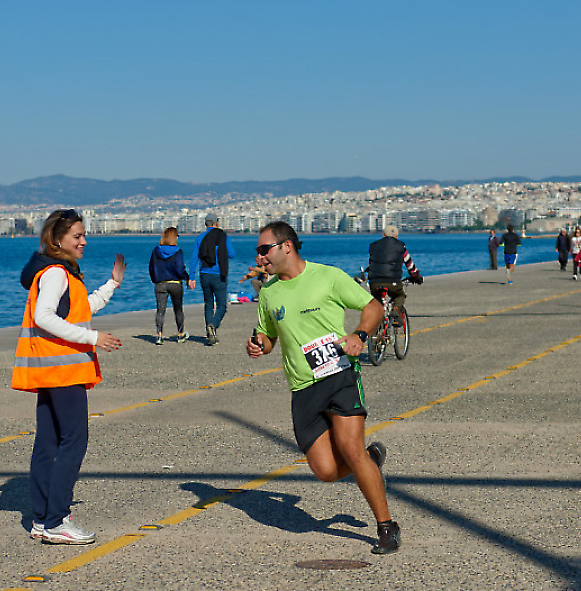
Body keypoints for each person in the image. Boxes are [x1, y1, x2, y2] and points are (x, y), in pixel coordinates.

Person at [246, 221, 401, 555]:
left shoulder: (327, 276)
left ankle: (387, 527)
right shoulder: (269, 292)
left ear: (287, 246)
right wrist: (259, 344)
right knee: (327, 471)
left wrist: (360, 334)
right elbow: (269, 336)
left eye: (264, 249)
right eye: (258, 251)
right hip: (303, 388)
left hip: (339, 375)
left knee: (351, 449)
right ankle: (371, 460)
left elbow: (373, 307)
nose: (259, 257)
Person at [11, 209, 126, 545]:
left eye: (83, 234)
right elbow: (44, 316)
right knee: (74, 440)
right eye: (77, 236)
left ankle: (41, 518)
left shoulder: (57, 273)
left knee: (48, 442)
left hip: (51, 370)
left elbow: (81, 309)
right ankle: (56, 520)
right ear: (57, 239)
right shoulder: (56, 273)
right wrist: (93, 338)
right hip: (63, 371)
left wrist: (112, 284)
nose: (83, 241)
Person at [188, 212, 235, 345]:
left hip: (204, 274)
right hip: (219, 275)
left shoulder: (200, 238)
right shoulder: (223, 236)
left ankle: (210, 332)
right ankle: (213, 325)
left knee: (208, 304)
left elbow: (194, 258)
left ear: (205, 224)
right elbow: (231, 254)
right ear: (216, 223)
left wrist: (191, 277)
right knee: (222, 305)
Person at [367, 225, 423, 326]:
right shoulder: (401, 246)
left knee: (377, 299)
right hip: (392, 281)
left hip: (374, 282)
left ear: (383, 235)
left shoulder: (373, 246)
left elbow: (371, 264)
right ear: (397, 236)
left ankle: (376, 325)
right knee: (400, 295)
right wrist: (416, 276)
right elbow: (409, 264)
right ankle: (396, 311)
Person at [149, 227, 190, 345]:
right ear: (174, 237)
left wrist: (155, 280)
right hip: (175, 283)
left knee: (160, 310)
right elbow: (180, 268)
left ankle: (159, 336)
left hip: (160, 283)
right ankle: (180, 334)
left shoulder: (156, 251)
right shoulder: (178, 251)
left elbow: (151, 267)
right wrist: (186, 277)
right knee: (178, 309)